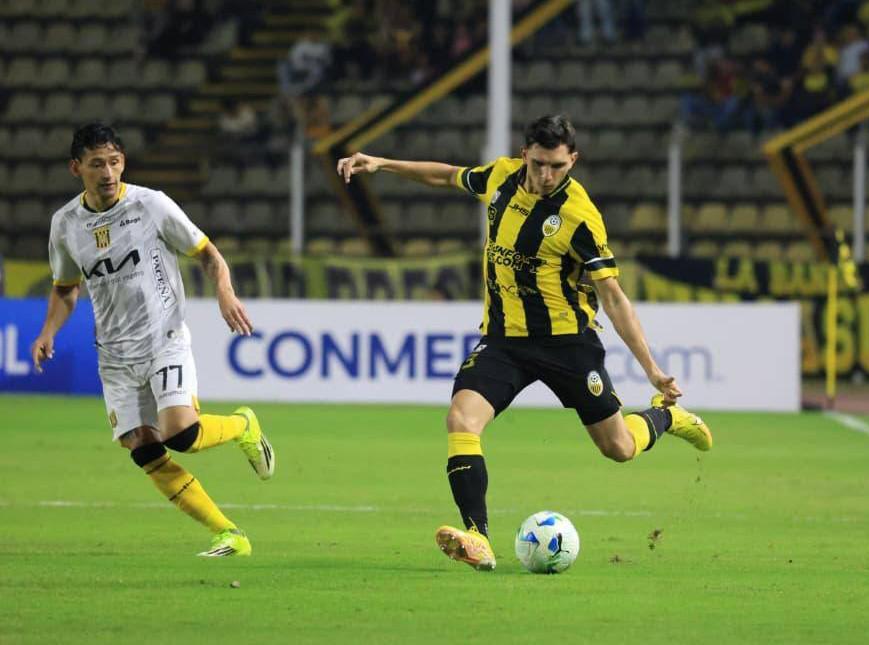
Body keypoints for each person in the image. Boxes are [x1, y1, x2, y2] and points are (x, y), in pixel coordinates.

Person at [336, 115, 712, 572]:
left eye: (557, 166)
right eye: (538, 164)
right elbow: (447, 175)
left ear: (573, 160)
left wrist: (651, 369)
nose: (547, 175)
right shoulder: (501, 176)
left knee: (618, 448)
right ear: (524, 155)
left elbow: (613, 297)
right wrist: (382, 164)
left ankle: (666, 417)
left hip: (567, 344)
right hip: (505, 342)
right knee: (461, 418)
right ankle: (478, 537)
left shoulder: (580, 217)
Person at [31, 123, 276, 556]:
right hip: (114, 356)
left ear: (123, 162)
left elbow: (207, 253)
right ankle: (229, 534)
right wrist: (48, 330)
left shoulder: (150, 205)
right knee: (143, 448)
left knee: (180, 433)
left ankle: (243, 426)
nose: (108, 172)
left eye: (114, 162)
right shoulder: (65, 224)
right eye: (96, 164)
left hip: (164, 337)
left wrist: (224, 292)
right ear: (76, 168)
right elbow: (66, 289)